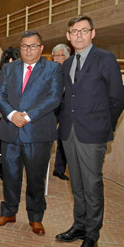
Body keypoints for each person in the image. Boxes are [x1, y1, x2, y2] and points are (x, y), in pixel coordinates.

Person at [56, 16, 124, 247]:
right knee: (77, 184)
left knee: (92, 185)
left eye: (84, 31)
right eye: (74, 31)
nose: (79, 36)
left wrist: (103, 127)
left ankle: (92, 236)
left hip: (92, 134)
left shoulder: (105, 59)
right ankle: (79, 225)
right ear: (68, 36)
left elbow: (118, 99)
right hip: (69, 133)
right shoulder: (67, 63)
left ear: (93, 33)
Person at [0, 31, 63, 236]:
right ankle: (9, 212)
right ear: (19, 48)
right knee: (10, 176)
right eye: (24, 46)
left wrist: (27, 117)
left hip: (38, 133)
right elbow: (0, 95)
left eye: (32, 46)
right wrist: (12, 114)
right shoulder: (8, 68)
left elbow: (54, 98)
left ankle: (36, 217)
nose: (28, 50)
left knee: (35, 178)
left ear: (41, 48)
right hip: (11, 131)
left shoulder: (53, 69)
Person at [51, 43, 71, 181]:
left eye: (60, 55)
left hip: (66, 109)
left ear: (67, 57)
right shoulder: (49, 71)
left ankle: (59, 169)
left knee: (63, 139)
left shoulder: (72, 70)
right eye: (55, 56)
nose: (57, 58)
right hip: (51, 108)